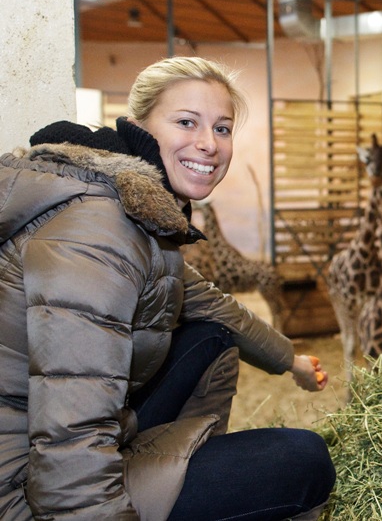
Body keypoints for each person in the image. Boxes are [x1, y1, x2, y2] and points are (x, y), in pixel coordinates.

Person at [0, 56, 335, 520]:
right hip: (25, 486)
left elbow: (214, 307)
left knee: (212, 337)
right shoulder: (99, 234)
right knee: (302, 459)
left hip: (59, 445)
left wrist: (290, 360)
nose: (208, 144)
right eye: (186, 122)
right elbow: (71, 431)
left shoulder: (134, 211)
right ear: (139, 127)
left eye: (222, 128)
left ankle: (178, 474)